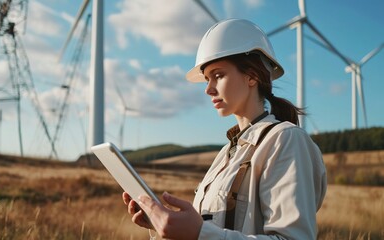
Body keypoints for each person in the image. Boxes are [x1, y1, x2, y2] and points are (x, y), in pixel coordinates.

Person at [122, 18, 327, 239]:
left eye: (218, 75)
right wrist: (164, 227)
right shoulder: (226, 153)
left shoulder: (285, 140)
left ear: (252, 76)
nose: (208, 89)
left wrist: (199, 233)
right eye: (207, 79)